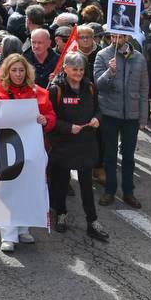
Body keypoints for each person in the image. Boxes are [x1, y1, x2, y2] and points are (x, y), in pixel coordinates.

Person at [0, 53, 56, 253]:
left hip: (31, 150)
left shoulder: (37, 92)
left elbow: (51, 115)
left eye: (21, 70)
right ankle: (8, 235)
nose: (18, 74)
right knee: (7, 191)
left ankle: (23, 228)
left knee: (28, 189)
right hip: (5, 150)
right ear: (6, 71)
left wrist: (45, 120)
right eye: (14, 70)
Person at [46, 50, 108, 241]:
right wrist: (67, 127)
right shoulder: (55, 90)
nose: (79, 73)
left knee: (87, 186)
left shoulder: (89, 87)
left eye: (81, 70)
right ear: (65, 68)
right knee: (61, 184)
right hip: (63, 145)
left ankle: (92, 221)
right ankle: (61, 214)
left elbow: (98, 109)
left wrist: (97, 119)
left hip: (85, 144)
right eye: (75, 69)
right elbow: (50, 119)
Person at [95, 31, 149, 208]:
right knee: (110, 155)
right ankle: (110, 190)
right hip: (110, 113)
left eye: (120, 36)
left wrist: (143, 116)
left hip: (131, 116)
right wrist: (110, 72)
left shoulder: (139, 58)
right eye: (112, 36)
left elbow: (143, 88)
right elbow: (99, 85)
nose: (115, 39)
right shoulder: (103, 55)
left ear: (128, 37)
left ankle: (128, 192)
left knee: (128, 156)